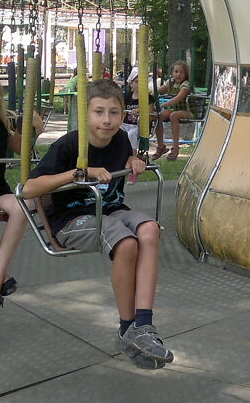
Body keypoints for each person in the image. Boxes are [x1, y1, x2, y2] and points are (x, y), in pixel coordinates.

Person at [22, 79, 173, 370]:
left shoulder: (121, 140)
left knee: (150, 229)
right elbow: (29, 189)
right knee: (126, 244)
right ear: (85, 114)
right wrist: (78, 173)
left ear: (122, 114)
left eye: (114, 112)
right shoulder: (69, 145)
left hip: (110, 210)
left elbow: (127, 160)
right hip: (72, 220)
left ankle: (144, 325)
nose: (107, 120)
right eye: (99, 112)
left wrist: (134, 160)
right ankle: (127, 329)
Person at [0, 84, 43, 310]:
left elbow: (21, 148)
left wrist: (35, 129)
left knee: (22, 205)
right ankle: (2, 278)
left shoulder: (3, 120)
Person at [153, 60, 192, 162]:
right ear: (172, 73)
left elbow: (178, 98)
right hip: (175, 109)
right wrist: (150, 96)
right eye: (176, 71)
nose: (178, 74)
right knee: (159, 115)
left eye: (181, 72)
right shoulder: (170, 82)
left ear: (186, 74)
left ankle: (175, 147)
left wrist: (162, 105)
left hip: (187, 110)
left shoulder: (186, 84)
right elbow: (157, 92)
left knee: (174, 115)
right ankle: (161, 146)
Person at [121, 68, 155, 155]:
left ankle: (133, 155)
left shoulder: (148, 98)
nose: (139, 84)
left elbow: (149, 112)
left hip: (139, 126)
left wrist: (139, 110)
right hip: (125, 124)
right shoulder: (127, 96)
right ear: (131, 83)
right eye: (137, 82)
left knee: (131, 134)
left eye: (142, 82)